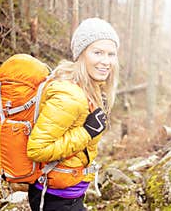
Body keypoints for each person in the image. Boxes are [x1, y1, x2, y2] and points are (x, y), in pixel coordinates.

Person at [27, 17, 120, 211]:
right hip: (54, 199)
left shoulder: (89, 89)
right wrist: (86, 132)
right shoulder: (70, 95)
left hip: (69, 195)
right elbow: (36, 150)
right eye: (98, 52)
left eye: (111, 54)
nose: (106, 61)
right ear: (81, 54)